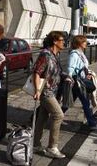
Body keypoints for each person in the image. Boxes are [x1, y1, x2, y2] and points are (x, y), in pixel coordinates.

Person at [32, 31, 67, 159]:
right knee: (58, 115)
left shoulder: (55, 55)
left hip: (54, 91)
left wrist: (66, 77)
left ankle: (35, 144)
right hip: (46, 92)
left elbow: (55, 73)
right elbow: (36, 72)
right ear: (55, 41)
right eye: (62, 40)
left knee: (42, 117)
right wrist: (37, 90)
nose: (64, 42)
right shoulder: (45, 54)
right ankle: (52, 147)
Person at [64, 35, 97, 130]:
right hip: (77, 81)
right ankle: (91, 123)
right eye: (84, 42)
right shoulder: (74, 54)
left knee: (68, 103)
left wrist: (86, 74)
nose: (86, 43)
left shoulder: (80, 53)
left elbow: (82, 67)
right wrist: (70, 77)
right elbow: (70, 67)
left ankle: (56, 115)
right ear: (79, 44)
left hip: (80, 80)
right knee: (85, 102)